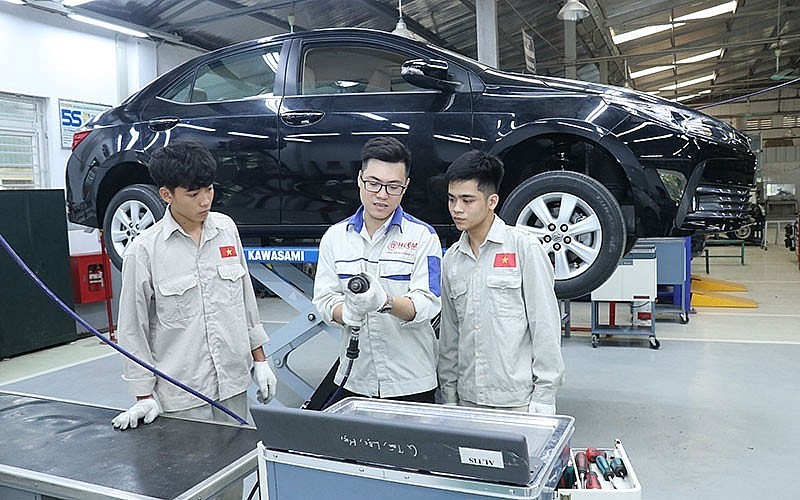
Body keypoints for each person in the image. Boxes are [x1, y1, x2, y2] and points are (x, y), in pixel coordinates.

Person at [111, 141, 276, 431]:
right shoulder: (144, 250)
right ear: (166, 194)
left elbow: (245, 300)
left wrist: (260, 359)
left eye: (209, 189)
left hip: (233, 383)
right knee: (193, 474)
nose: (205, 201)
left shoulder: (226, 230)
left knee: (234, 472)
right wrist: (143, 394)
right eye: (193, 194)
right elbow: (132, 329)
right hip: (183, 394)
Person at [312, 136, 442, 405]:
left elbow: (428, 304)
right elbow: (324, 300)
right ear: (360, 179)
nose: (382, 195)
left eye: (393, 187)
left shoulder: (423, 237)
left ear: (405, 187)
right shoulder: (336, 238)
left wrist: (386, 302)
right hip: (355, 378)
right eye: (374, 184)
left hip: (410, 380)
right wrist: (345, 312)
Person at [438, 150, 565, 413]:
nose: (457, 209)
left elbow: (545, 325)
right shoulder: (452, 259)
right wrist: (449, 394)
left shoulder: (524, 248)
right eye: (452, 199)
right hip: (467, 400)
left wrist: (544, 397)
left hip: (517, 401)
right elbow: (450, 335)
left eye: (467, 200)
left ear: (492, 201)